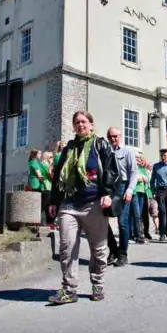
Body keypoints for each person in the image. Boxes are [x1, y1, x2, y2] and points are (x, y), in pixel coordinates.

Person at [47, 111, 120, 305]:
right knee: (67, 247)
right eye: (77, 122)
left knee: (98, 249)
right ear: (73, 126)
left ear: (91, 125)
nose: (80, 125)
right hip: (69, 204)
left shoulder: (100, 145)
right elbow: (58, 176)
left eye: (84, 122)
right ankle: (69, 290)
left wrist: (107, 193)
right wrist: (54, 201)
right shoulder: (69, 148)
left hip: (94, 203)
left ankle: (97, 284)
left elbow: (112, 171)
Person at [105, 127, 138, 267]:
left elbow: (134, 172)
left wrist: (130, 190)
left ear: (120, 136)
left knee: (123, 222)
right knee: (103, 221)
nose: (113, 139)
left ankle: (123, 254)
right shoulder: (106, 151)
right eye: (110, 136)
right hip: (109, 188)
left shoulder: (128, 151)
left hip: (123, 187)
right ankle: (113, 251)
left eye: (115, 136)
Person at [151, 149, 167, 241]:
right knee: (162, 211)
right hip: (160, 191)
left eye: (165, 155)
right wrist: (153, 191)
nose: (163, 157)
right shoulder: (156, 166)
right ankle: (162, 234)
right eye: (161, 155)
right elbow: (152, 180)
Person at [132, 152, 151, 244]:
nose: (138, 160)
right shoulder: (132, 168)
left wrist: (145, 179)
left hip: (142, 192)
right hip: (134, 192)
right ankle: (138, 235)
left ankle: (137, 233)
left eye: (140, 159)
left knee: (139, 214)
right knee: (136, 214)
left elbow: (148, 180)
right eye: (136, 158)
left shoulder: (143, 169)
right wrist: (136, 179)